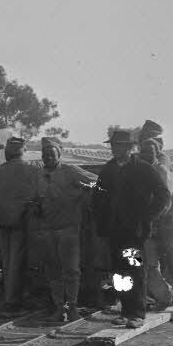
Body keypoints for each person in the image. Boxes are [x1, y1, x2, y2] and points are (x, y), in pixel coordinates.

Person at [93, 128, 170, 329]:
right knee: (119, 272)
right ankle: (126, 311)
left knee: (134, 270)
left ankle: (136, 313)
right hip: (113, 231)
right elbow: (98, 197)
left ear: (130, 148)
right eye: (113, 145)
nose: (115, 149)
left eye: (119, 146)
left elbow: (163, 195)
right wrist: (101, 222)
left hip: (133, 232)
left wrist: (147, 218)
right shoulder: (108, 169)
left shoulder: (143, 168)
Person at [31, 137, 97, 323]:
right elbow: (36, 197)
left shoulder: (70, 171)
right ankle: (60, 308)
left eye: (51, 154)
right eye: (45, 155)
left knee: (71, 270)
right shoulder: (39, 175)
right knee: (53, 271)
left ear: (59, 155)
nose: (48, 157)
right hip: (48, 229)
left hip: (68, 229)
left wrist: (81, 194)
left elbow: (96, 182)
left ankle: (74, 307)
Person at [136, 122, 173, 322]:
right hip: (150, 223)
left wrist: (149, 221)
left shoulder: (162, 164)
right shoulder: (140, 166)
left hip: (167, 223)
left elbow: (164, 201)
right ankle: (164, 298)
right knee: (150, 265)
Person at [0, 136, 37, 314]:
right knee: (18, 262)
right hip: (22, 221)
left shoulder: (0, 170)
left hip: (4, 221)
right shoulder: (30, 170)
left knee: (8, 261)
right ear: (23, 151)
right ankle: (14, 301)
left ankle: (10, 298)